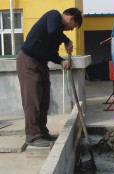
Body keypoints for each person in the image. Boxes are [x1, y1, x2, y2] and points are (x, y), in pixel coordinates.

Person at [16, 8, 83, 147]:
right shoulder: (54, 15)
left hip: (41, 64)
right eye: (74, 27)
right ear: (71, 18)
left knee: (44, 101)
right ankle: (33, 137)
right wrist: (67, 40)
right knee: (32, 100)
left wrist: (62, 61)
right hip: (28, 61)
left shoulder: (57, 34)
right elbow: (53, 31)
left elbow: (52, 54)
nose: (71, 30)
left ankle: (42, 132)